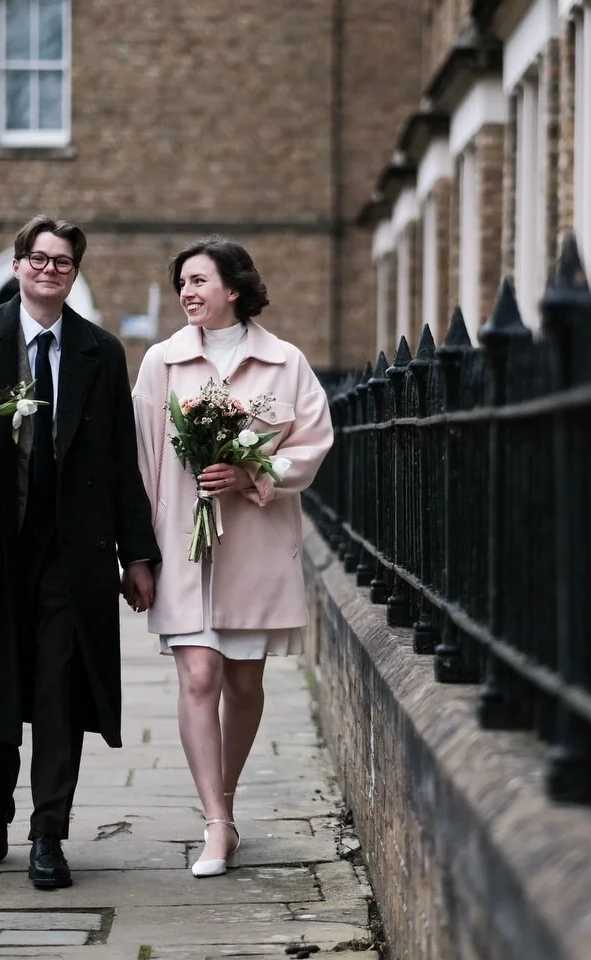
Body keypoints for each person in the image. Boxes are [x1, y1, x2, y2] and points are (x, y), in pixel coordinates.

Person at [0, 215, 160, 891]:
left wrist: (138, 555)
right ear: (19, 264)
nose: (50, 270)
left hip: (70, 551)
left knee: (60, 690)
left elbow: (121, 462)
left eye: (63, 262)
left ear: (74, 274)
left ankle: (49, 832)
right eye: (40, 258)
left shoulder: (100, 352)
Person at [132, 237, 333, 877]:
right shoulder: (162, 362)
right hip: (182, 549)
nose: (187, 292)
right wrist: (136, 553)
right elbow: (142, 461)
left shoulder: (285, 362)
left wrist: (252, 474)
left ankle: (227, 799)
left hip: (256, 550)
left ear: (234, 288)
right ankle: (216, 822)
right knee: (199, 677)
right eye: (182, 283)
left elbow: (312, 442)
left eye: (199, 280)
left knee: (244, 684)